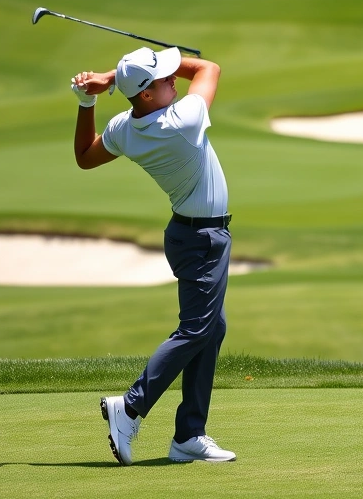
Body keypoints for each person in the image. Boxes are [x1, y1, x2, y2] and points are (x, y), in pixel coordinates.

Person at [70, 46, 236, 465]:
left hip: (189, 235)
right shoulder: (184, 121)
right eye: (164, 80)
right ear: (146, 94)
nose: (174, 80)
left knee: (210, 328)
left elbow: (85, 158)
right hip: (202, 239)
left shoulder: (125, 127)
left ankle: (189, 436)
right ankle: (129, 407)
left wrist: (90, 99)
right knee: (198, 329)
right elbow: (208, 67)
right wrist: (112, 76)